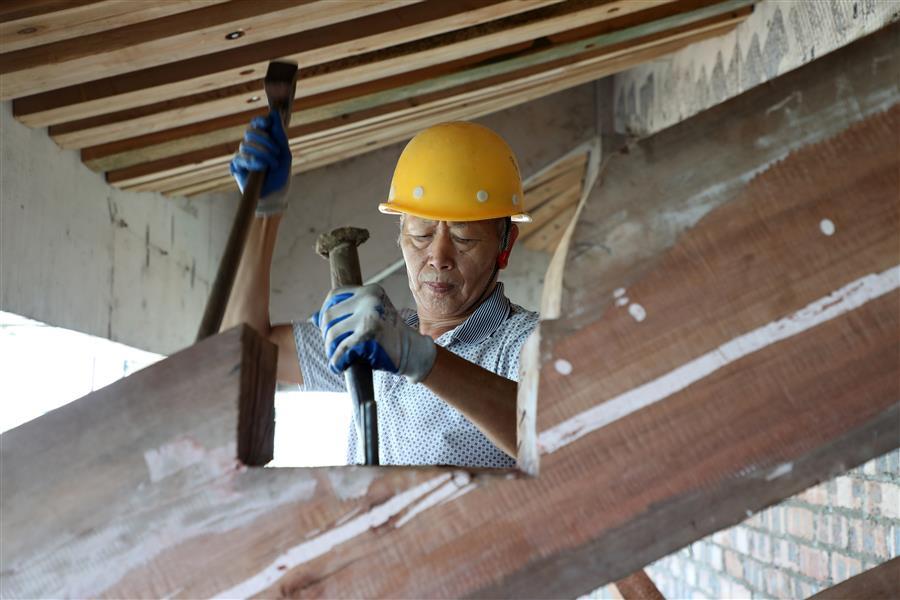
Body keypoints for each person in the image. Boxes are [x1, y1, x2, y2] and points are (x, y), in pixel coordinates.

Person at [223, 113, 538, 468]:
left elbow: (563, 425)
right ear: (400, 234)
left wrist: (422, 359)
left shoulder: (525, 342)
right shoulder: (378, 336)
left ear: (505, 246)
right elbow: (241, 355)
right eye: (420, 234)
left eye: (464, 239)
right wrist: (262, 215)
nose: (438, 257)